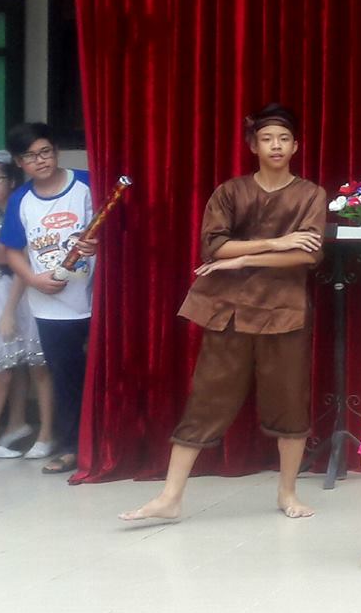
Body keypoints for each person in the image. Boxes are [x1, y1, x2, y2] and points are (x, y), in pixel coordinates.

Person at [120, 106, 327, 522]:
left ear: (296, 146)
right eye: (267, 139)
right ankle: (170, 497)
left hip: (284, 311)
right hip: (229, 310)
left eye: (284, 139)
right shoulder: (231, 191)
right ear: (253, 146)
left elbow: (308, 254)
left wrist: (243, 258)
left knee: (290, 401)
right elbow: (215, 247)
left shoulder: (310, 194)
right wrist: (274, 243)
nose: (276, 146)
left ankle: (287, 493)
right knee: (207, 397)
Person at [0, 123, 96, 475]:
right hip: (51, 306)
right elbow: (12, 251)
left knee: (105, 372)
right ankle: (71, 448)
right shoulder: (22, 199)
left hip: (98, 296)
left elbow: (120, 225)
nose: (40, 161)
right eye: (30, 156)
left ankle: (113, 439)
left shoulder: (87, 183)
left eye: (45, 152)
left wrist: (101, 243)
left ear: (56, 151)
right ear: (19, 162)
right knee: (66, 377)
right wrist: (33, 279)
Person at [0, 151, 48, 459]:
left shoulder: (22, 207)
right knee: (7, 367)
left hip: (20, 291)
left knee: (23, 362)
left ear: (11, 180)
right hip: (2, 292)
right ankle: (5, 429)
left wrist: (9, 310)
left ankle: (19, 424)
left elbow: (10, 255)